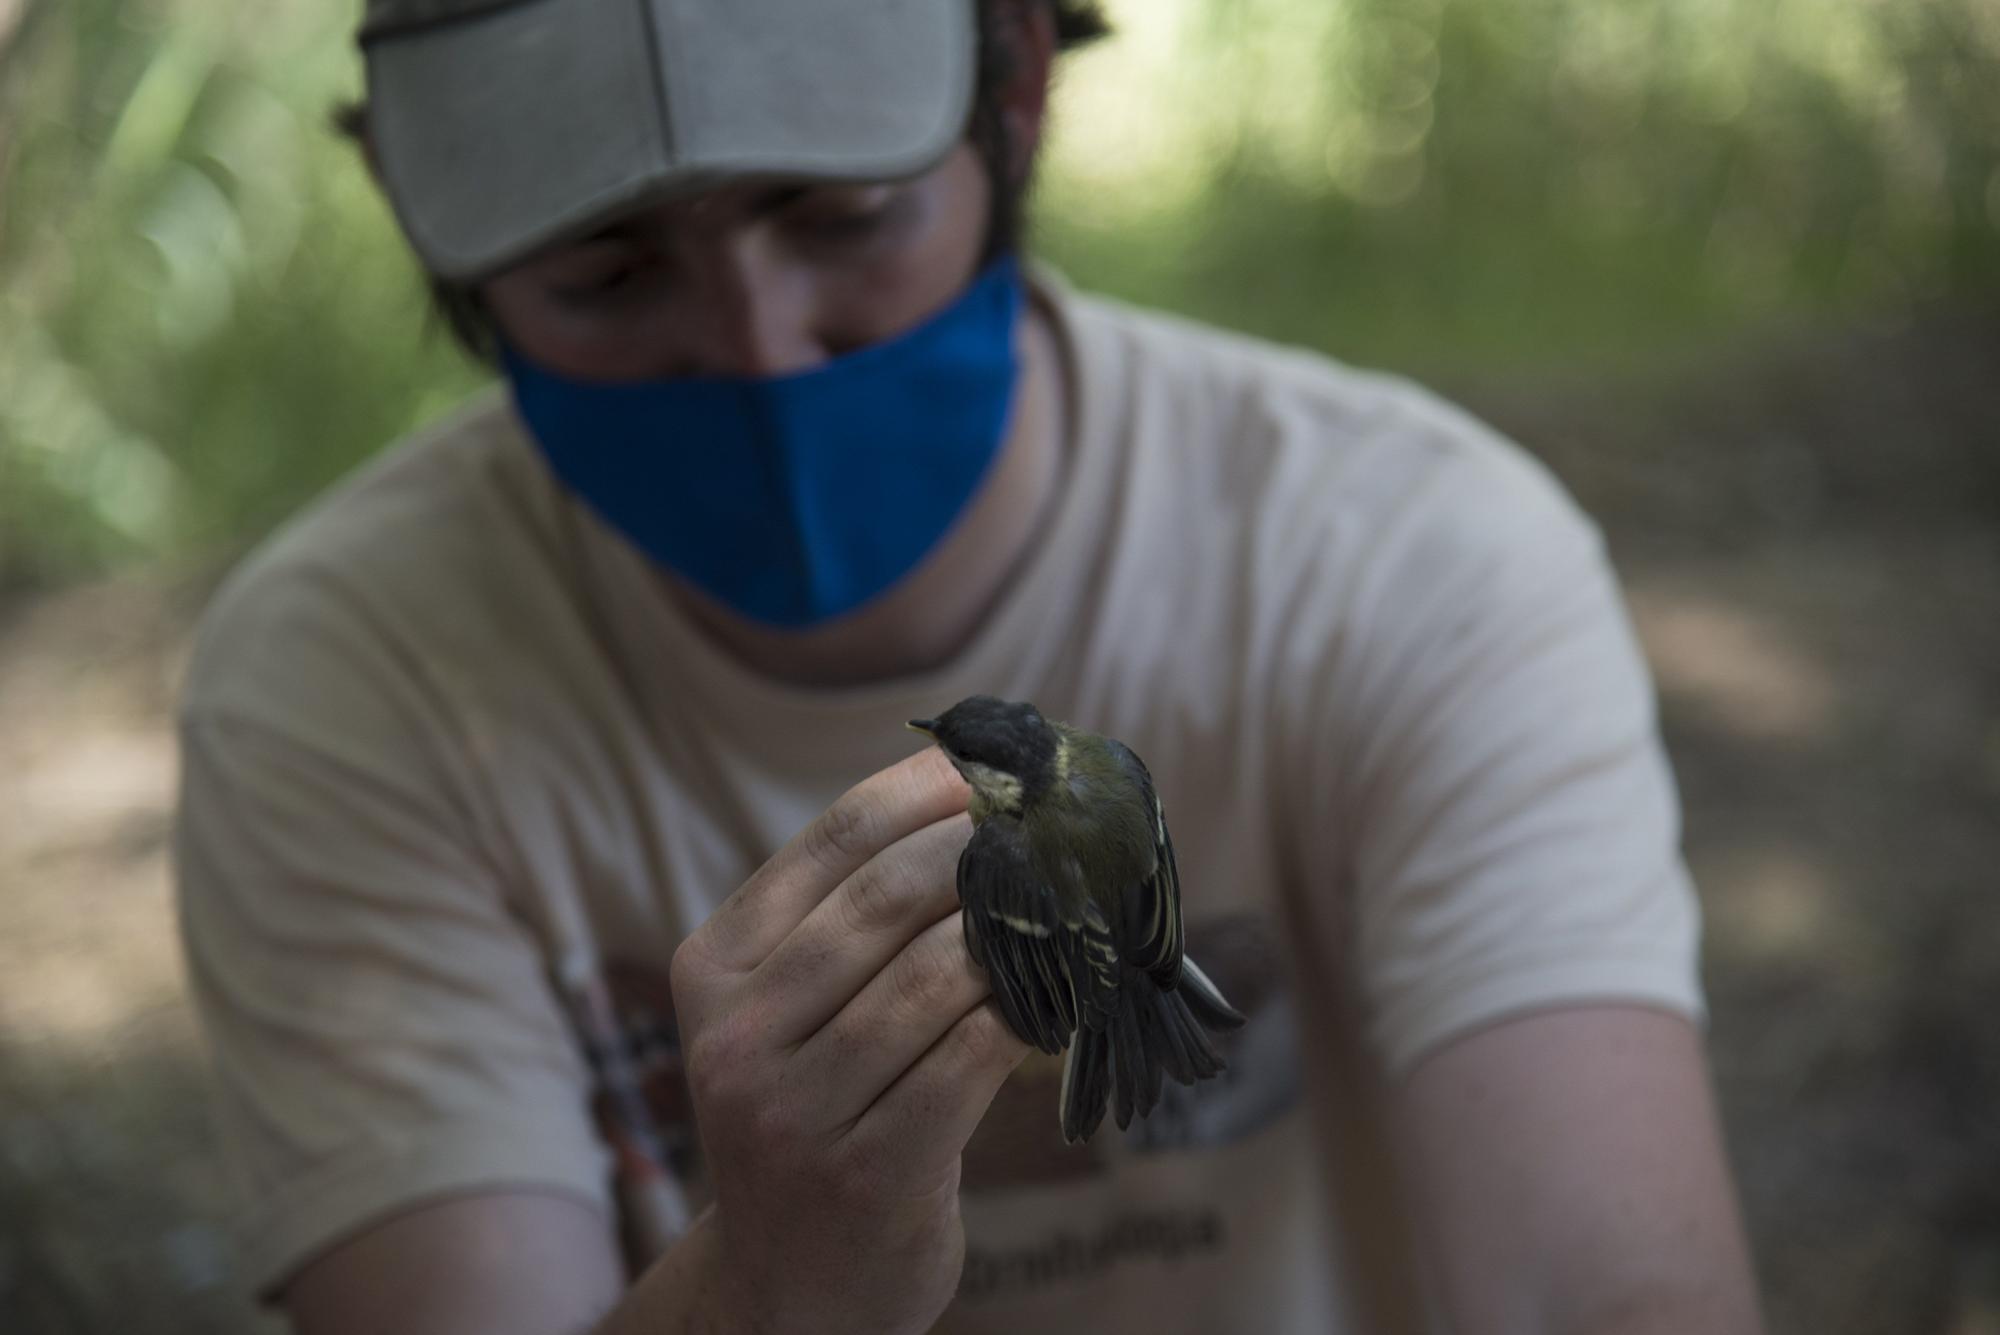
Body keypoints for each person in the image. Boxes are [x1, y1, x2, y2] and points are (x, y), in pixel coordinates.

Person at [171, 1, 1767, 1332]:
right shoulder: (341, 682)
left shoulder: (1412, 554)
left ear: (1014, 80)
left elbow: (1614, 1293)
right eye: (608, 273)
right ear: (421, 216)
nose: (759, 341)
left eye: (840, 210)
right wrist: (769, 1286)